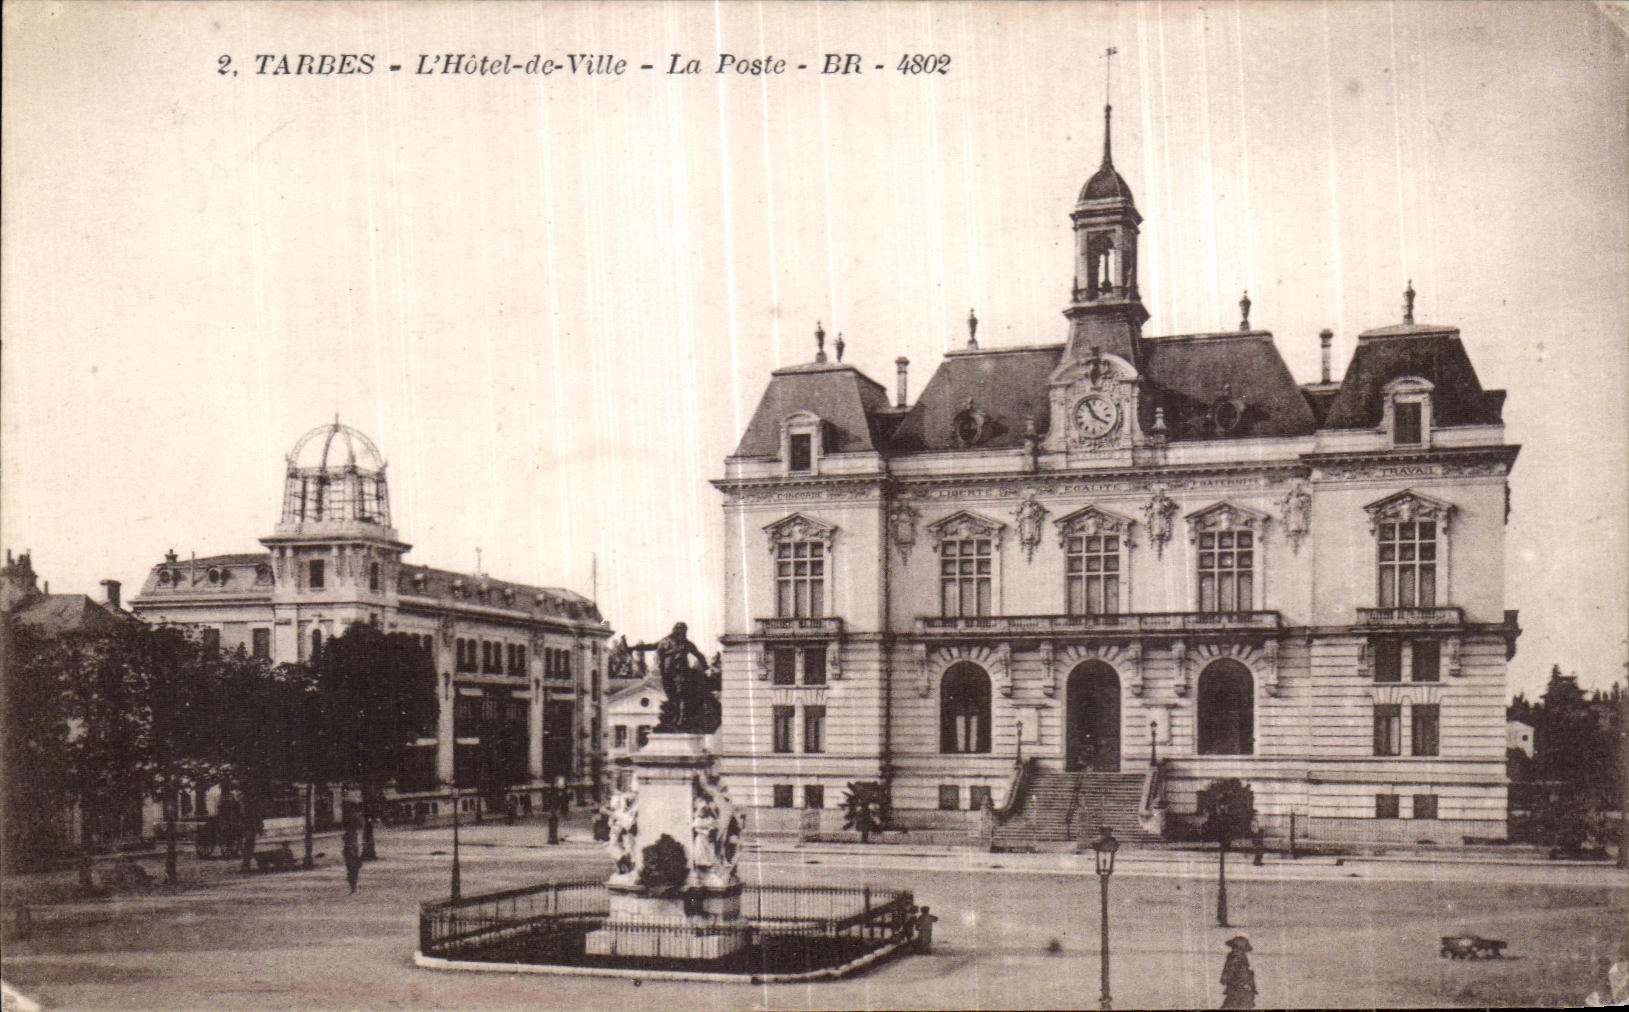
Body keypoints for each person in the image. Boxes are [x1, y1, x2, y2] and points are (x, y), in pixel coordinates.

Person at [1221, 935, 1257, 1009]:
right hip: (1239, 989)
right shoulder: (1235, 958)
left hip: (1241, 989)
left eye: (1237, 948)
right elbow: (1228, 974)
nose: (1235, 950)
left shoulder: (1236, 957)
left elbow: (1227, 974)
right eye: (1234, 947)